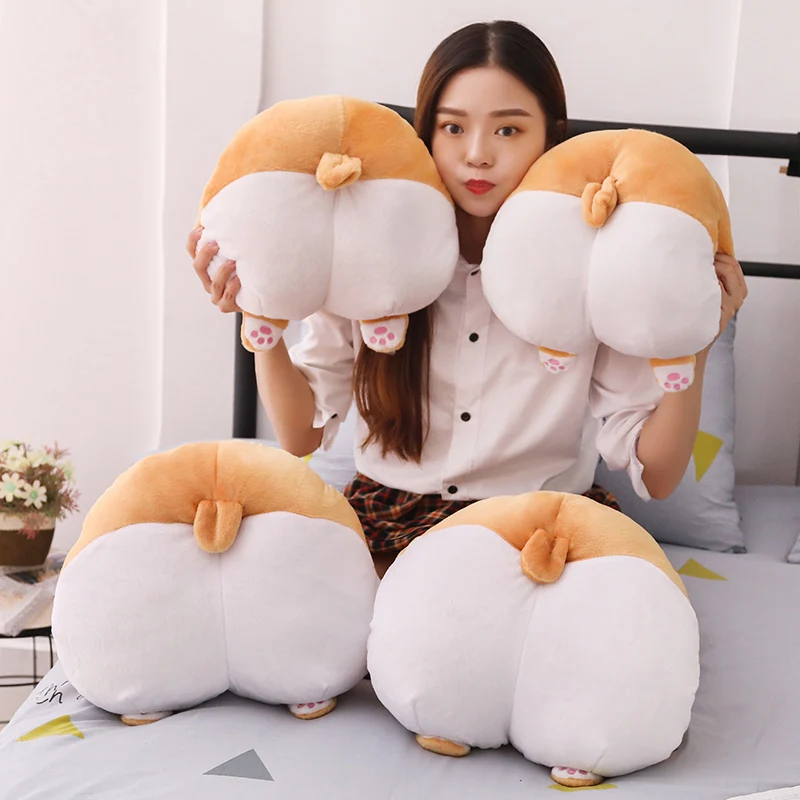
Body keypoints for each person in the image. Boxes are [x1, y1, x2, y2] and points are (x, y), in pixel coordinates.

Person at [188, 20, 747, 580]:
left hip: (538, 525)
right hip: (391, 524)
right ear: (425, 134)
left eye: (508, 130)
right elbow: (300, 436)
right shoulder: (368, 257)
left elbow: (659, 474)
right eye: (453, 127)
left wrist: (693, 336)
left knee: (613, 614)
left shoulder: (594, 271)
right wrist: (260, 316)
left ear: (552, 138)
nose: (477, 155)